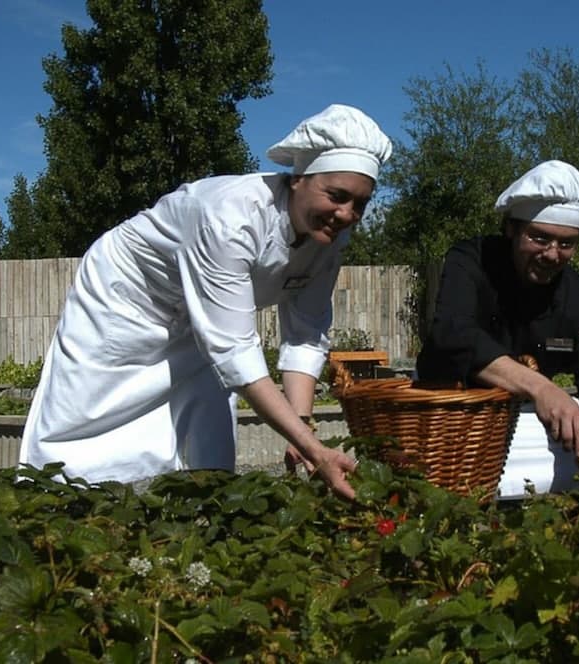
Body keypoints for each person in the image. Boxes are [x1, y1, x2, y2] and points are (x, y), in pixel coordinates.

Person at [19, 103, 393, 500]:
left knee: (207, 428)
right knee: (88, 414)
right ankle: (53, 510)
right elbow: (235, 350)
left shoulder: (330, 241)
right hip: (128, 298)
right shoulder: (228, 216)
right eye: (337, 196)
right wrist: (315, 451)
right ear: (299, 178)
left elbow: (304, 334)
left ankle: (197, 525)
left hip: (205, 319)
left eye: (360, 204)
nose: (347, 214)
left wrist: (302, 430)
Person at [416, 160, 579, 499]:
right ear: (511, 229)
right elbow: (452, 334)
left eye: (566, 243)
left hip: (526, 428)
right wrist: (541, 388)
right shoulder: (471, 261)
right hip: (453, 416)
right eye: (540, 238)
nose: (552, 254)